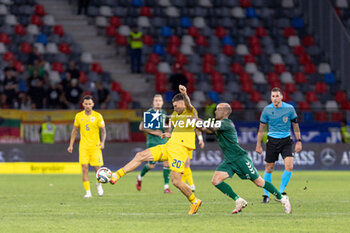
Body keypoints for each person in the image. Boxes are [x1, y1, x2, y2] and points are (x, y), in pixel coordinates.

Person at [110, 85, 202, 215]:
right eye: (173, 106)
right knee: (140, 155)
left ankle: (194, 201)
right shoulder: (175, 115)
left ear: (183, 103)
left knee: (176, 181)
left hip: (180, 150)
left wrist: (185, 94)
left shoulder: (190, 111)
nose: (174, 108)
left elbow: (189, 104)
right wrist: (168, 134)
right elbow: (176, 131)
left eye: (176, 105)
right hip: (169, 146)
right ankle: (116, 175)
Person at [199, 103, 291, 214]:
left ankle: (282, 199)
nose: (215, 111)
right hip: (229, 160)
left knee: (259, 182)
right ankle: (238, 200)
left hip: (240, 159)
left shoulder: (226, 123)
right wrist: (195, 123)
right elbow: (208, 130)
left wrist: (196, 120)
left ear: (224, 112)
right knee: (216, 180)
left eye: (217, 109)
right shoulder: (220, 124)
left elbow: (210, 127)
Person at [256, 87, 302, 203]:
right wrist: (258, 145)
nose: (275, 99)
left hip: (286, 140)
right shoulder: (266, 110)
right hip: (272, 141)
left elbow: (295, 125)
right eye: (273, 96)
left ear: (282, 97)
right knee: (269, 168)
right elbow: (261, 129)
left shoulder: (289, 108)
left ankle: (280, 192)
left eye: (277, 96)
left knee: (289, 166)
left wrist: (299, 141)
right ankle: (266, 195)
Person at [67, 95, 107, 198]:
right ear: (83, 105)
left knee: (98, 169)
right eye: (86, 104)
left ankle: (99, 185)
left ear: (93, 104)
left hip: (95, 146)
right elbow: (74, 131)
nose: (88, 106)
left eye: (90, 104)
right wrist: (71, 145)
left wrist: (102, 142)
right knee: (84, 168)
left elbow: (103, 131)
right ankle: (88, 192)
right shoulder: (78, 116)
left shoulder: (98, 116)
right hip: (83, 146)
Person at [136, 94, 173, 193]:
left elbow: (163, 125)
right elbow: (141, 127)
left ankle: (166, 187)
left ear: (162, 102)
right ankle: (140, 177)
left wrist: (168, 129)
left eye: (159, 100)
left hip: (163, 141)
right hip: (152, 142)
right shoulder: (150, 112)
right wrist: (154, 132)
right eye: (156, 100)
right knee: (151, 166)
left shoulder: (164, 113)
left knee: (167, 163)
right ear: (153, 102)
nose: (158, 102)